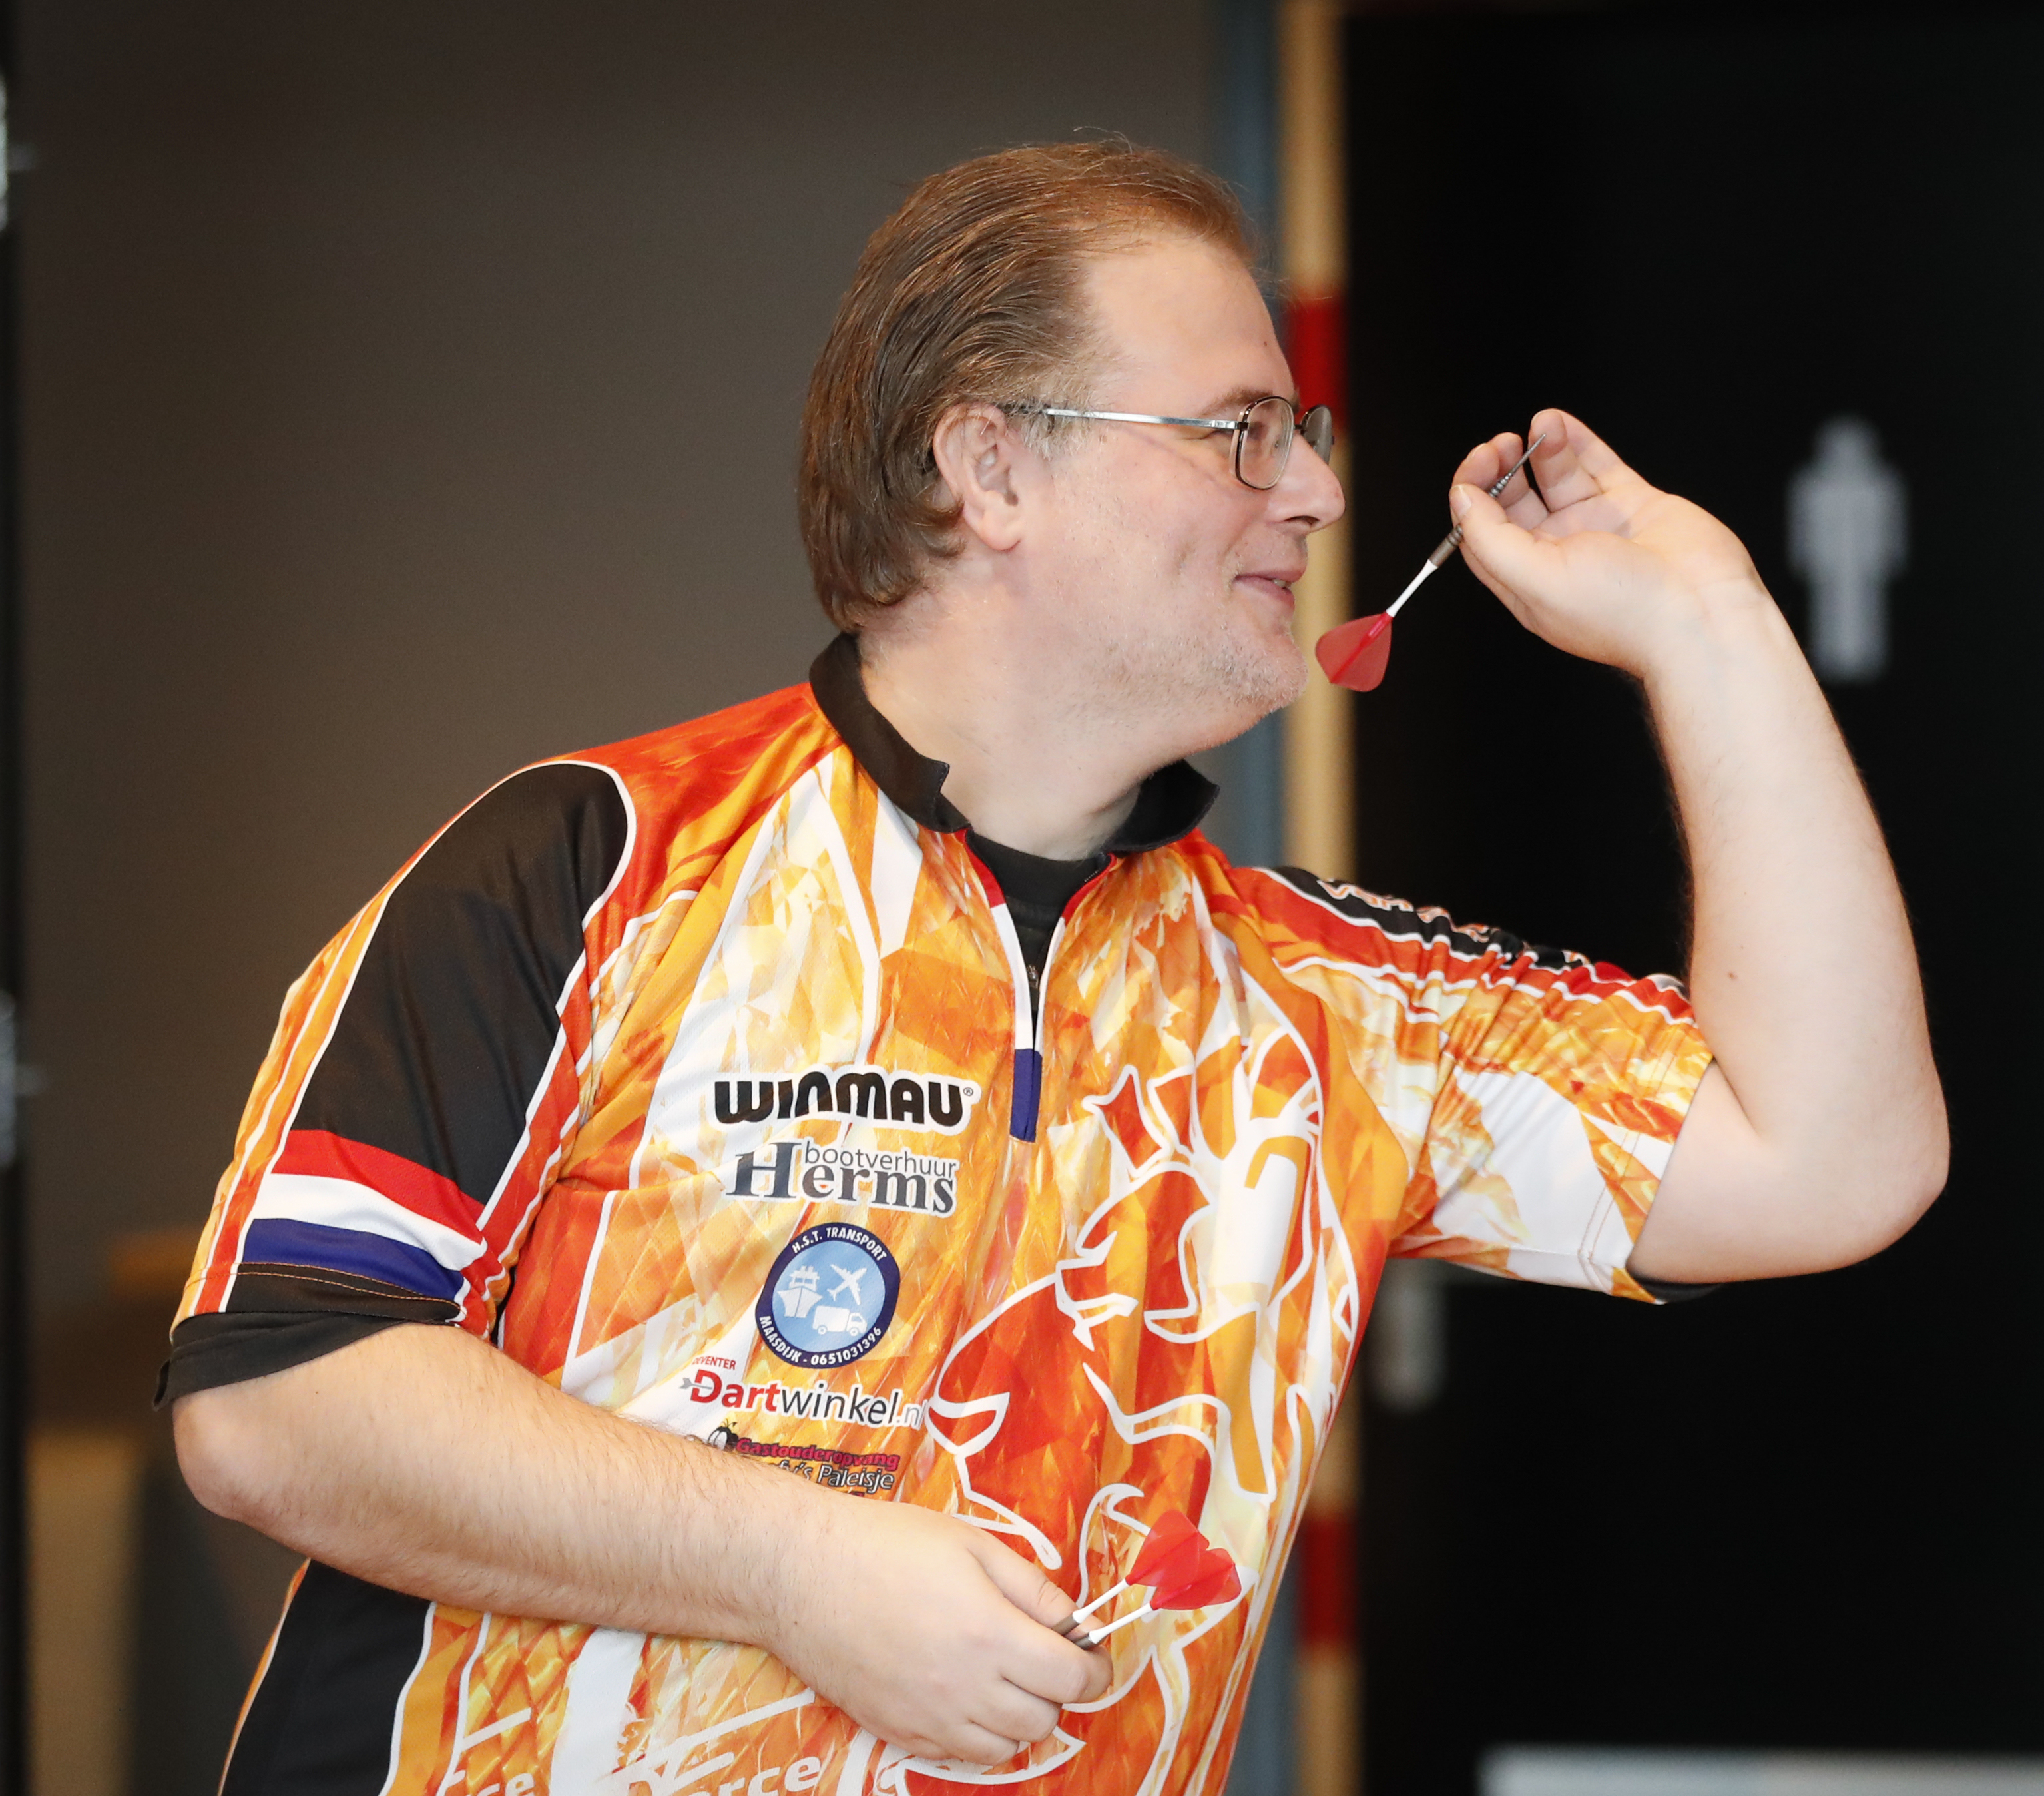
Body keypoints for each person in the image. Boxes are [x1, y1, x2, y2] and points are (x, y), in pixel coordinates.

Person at [167, 142, 1947, 1796]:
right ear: (993, 466)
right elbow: (274, 1402)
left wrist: (1710, 623)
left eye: (1302, 431)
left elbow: (1835, 1159)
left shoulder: (1332, 1006)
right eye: (1243, 431)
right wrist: (795, 1568)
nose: (1319, 489)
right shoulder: (596, 862)